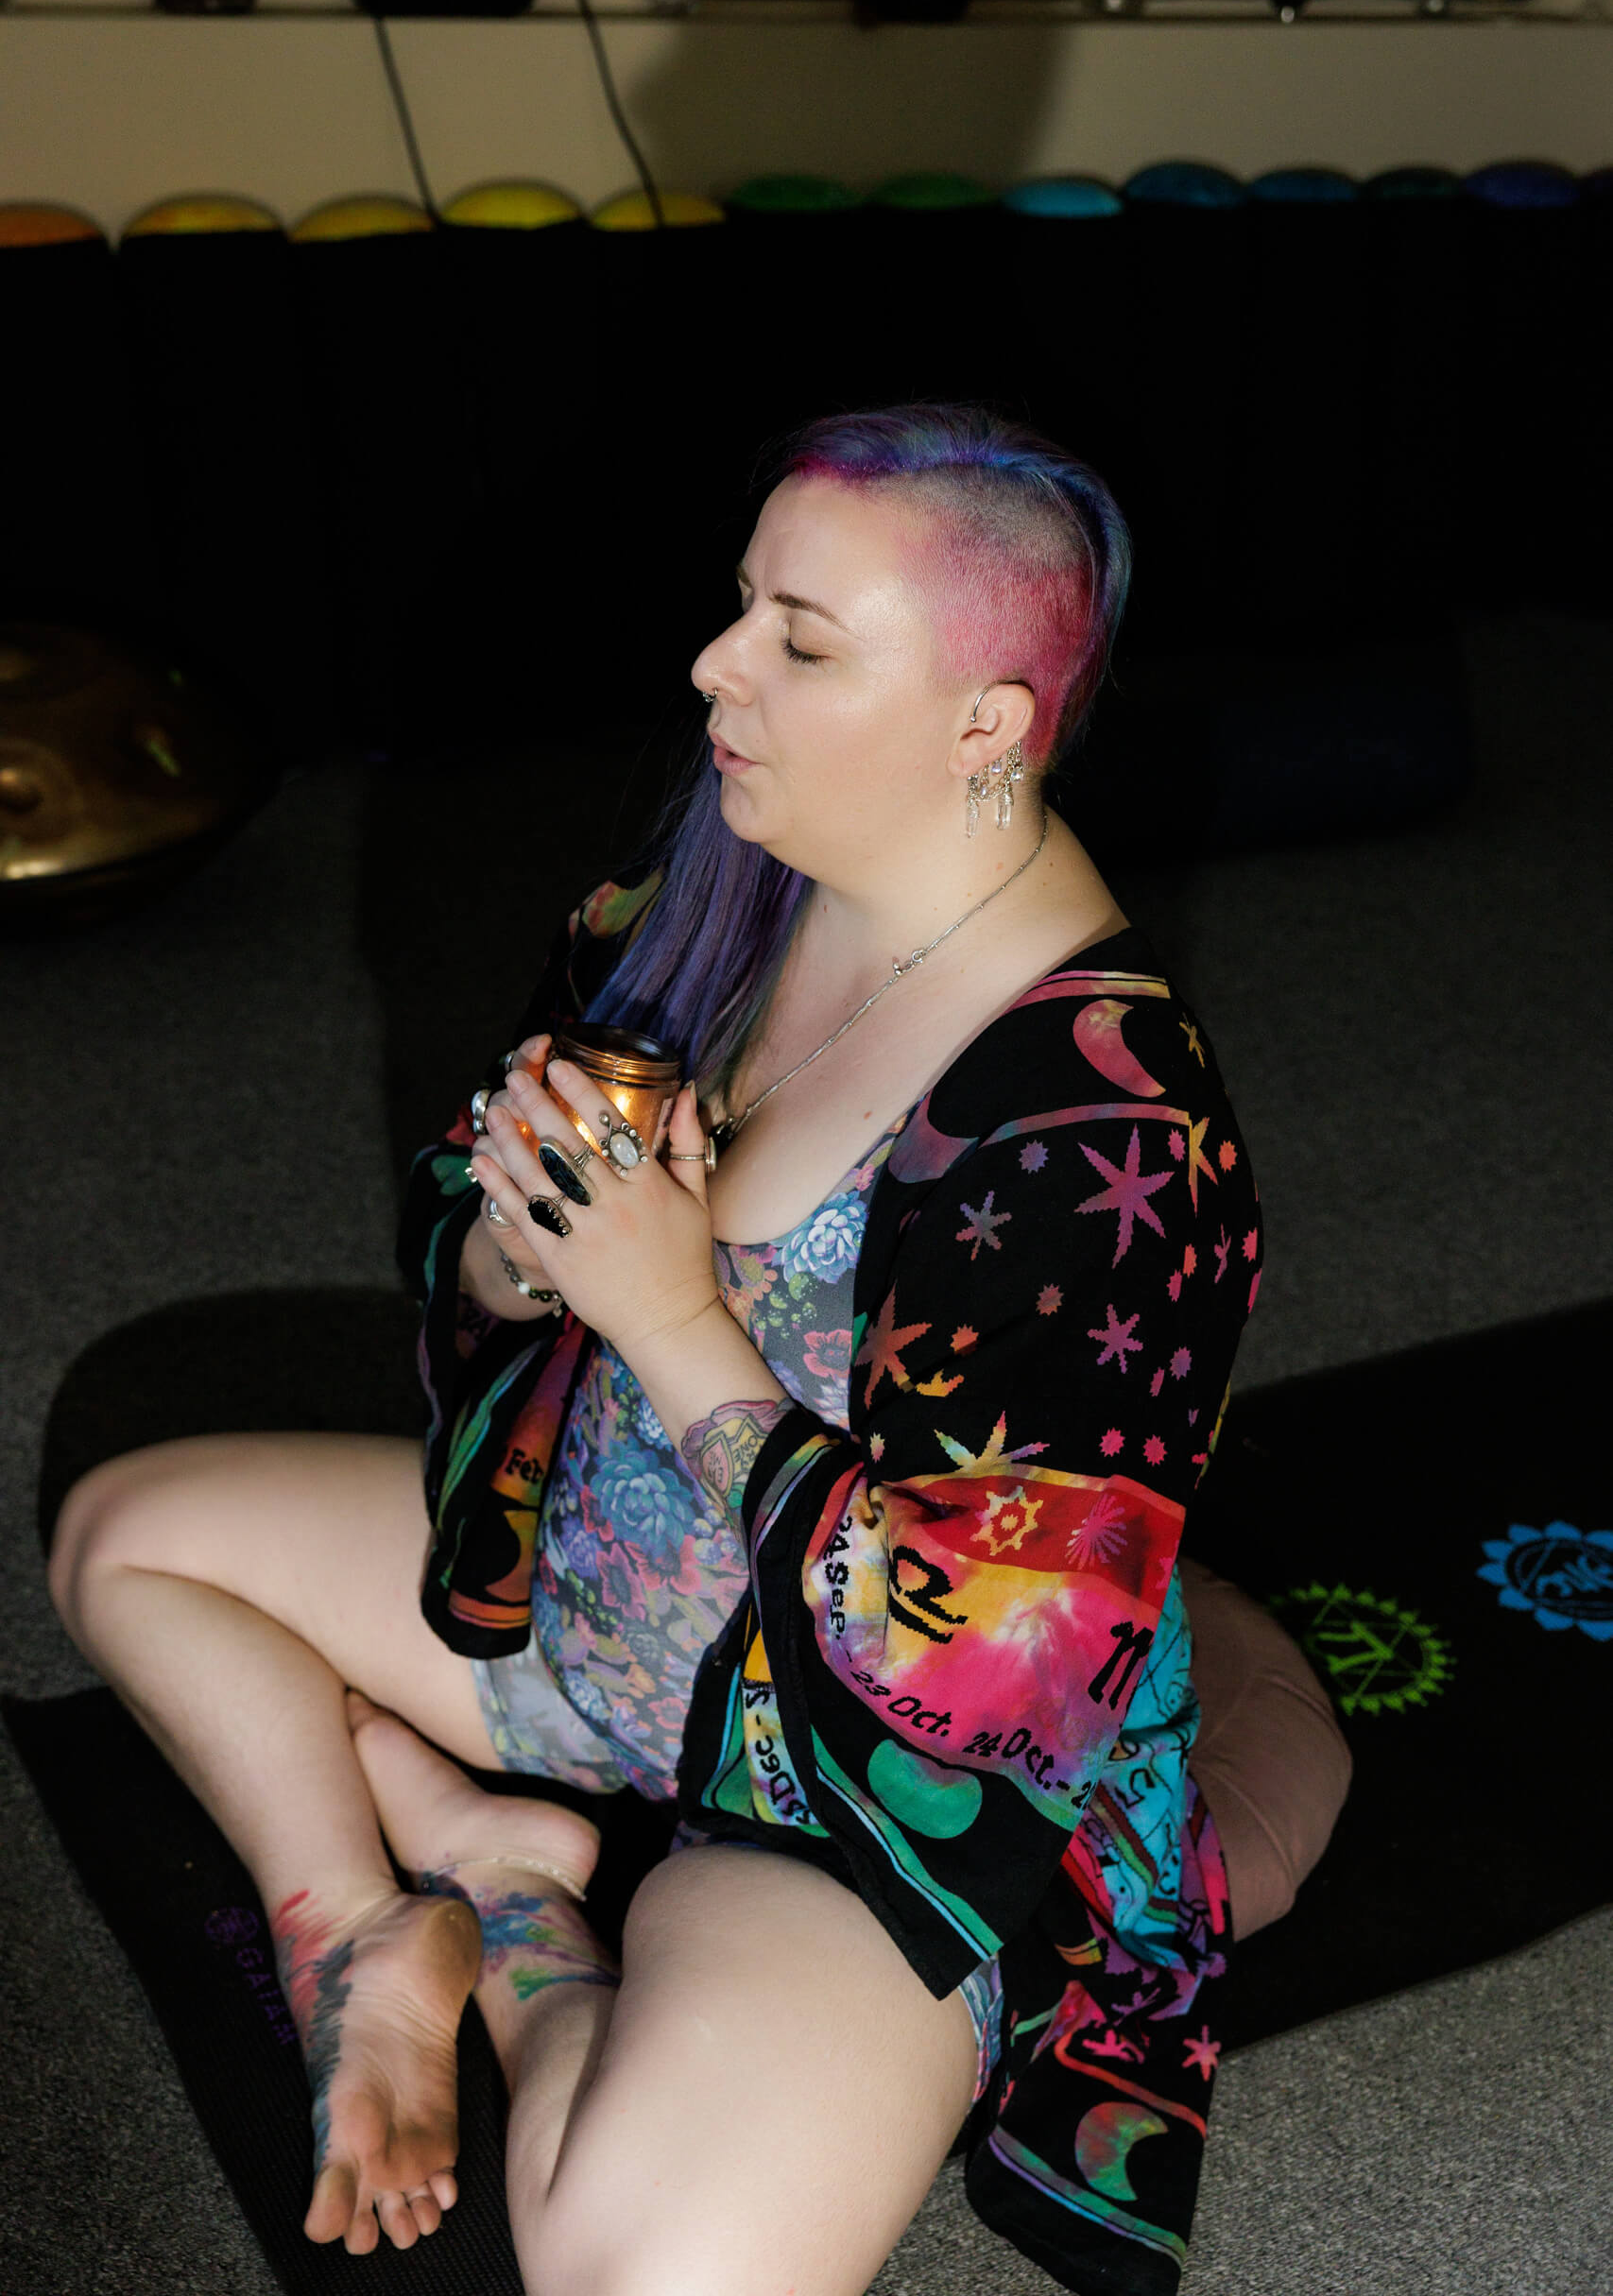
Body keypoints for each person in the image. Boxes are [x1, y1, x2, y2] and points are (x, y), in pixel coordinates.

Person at [48, 403, 1348, 2296]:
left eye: (799, 639)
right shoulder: (717, 886)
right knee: (125, 1536)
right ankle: (366, 1931)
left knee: (645, 2271)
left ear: (984, 721)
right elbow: (483, 1260)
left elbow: (984, 1665)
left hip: (847, 1782)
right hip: (605, 1606)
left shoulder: (1115, 1129)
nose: (714, 663)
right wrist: (516, 1241)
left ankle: (507, 1907)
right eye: (742, 604)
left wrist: (667, 1314)